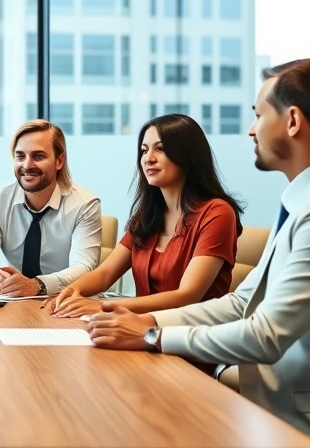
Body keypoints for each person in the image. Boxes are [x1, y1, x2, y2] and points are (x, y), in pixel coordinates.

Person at [84, 58, 310, 448]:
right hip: (279, 411)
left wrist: (152, 335)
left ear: (292, 121)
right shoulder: (309, 198)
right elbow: (240, 303)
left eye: (258, 116)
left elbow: (266, 335)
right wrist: (144, 318)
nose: (251, 129)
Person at [47, 113, 242, 318]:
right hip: (140, 330)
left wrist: (105, 306)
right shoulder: (148, 216)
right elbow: (105, 275)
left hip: (192, 336)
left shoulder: (217, 213)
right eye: (144, 150)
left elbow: (188, 295)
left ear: (187, 154)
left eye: (160, 149)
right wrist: (70, 292)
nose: (148, 159)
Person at [0, 120, 102, 297]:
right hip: (16, 302)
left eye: (38, 156)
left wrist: (38, 285)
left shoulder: (85, 205)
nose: (27, 165)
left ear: (59, 160)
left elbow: (83, 268)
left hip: (66, 301)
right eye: (20, 156)